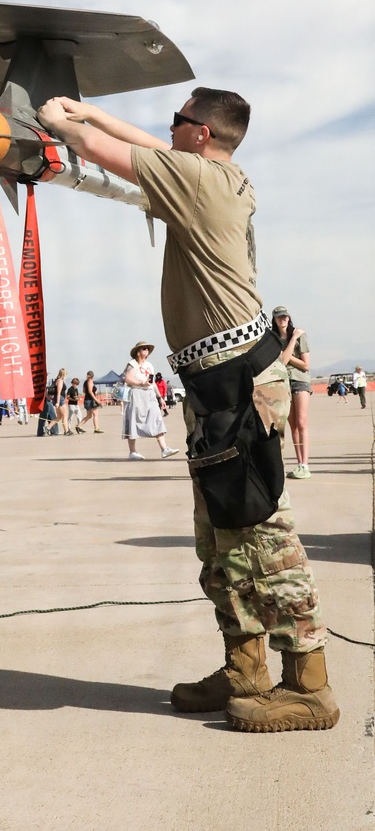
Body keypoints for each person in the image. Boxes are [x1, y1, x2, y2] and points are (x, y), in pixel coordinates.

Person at [38, 86, 337, 732]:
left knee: (262, 532)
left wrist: (58, 120)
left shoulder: (197, 180)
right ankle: (245, 668)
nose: (166, 128)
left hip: (237, 382)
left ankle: (310, 683)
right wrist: (89, 110)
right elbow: (142, 141)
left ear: (201, 134)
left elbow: (97, 149)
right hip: (215, 384)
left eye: (178, 120)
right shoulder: (215, 173)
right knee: (220, 536)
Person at [271, 307, 311, 479]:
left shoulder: (299, 335)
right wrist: (284, 354)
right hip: (283, 382)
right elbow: (282, 361)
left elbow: (305, 364)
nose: (282, 320)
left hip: (300, 380)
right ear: (274, 319)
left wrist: (292, 341)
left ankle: (305, 464)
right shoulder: (272, 339)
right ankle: (299, 463)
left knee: (302, 422)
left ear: (289, 318)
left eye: (285, 317)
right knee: (292, 424)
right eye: (279, 317)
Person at [120, 344, 178, 460]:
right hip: (136, 393)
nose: (146, 351)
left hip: (149, 394)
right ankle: (132, 452)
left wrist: (160, 397)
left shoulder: (149, 365)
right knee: (133, 421)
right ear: (138, 352)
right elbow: (127, 379)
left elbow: (152, 383)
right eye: (144, 349)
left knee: (156, 418)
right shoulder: (132, 364)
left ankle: (164, 449)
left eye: (147, 349)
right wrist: (141, 383)